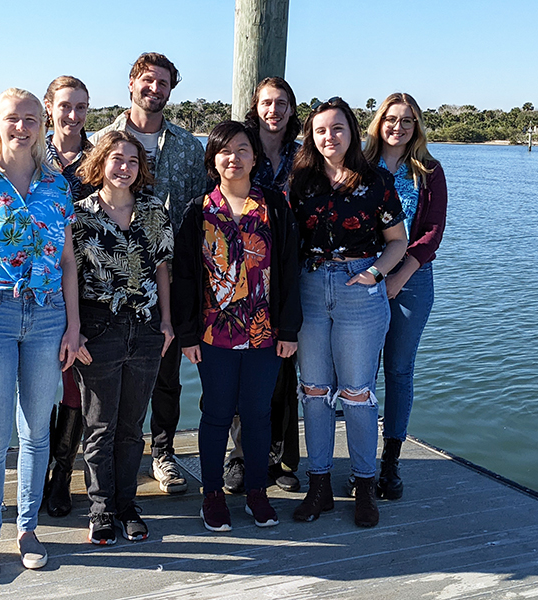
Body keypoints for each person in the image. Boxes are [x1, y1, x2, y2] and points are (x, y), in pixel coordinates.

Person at [0, 88, 80, 582]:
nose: (22, 127)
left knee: (35, 432)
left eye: (31, 119)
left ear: (41, 125)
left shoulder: (57, 186)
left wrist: (73, 325)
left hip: (47, 318)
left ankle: (27, 529)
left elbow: (67, 263)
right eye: (12, 119)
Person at [172, 121, 302, 532]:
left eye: (243, 149)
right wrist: (188, 334)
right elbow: (186, 278)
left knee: (258, 414)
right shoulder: (198, 211)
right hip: (215, 334)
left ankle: (257, 493)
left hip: (265, 333)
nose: (234, 157)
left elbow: (288, 269)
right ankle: (212, 495)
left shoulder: (275, 207)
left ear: (254, 157)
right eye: (225, 151)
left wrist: (288, 329)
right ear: (213, 159)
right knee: (215, 413)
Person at [91, 52, 207, 495]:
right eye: (148, 80)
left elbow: (198, 212)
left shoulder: (187, 146)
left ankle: (163, 453)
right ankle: (112, 454)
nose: (154, 89)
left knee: (166, 369)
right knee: (109, 373)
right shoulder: (103, 139)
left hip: (171, 278)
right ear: (131, 83)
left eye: (163, 83)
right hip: (109, 284)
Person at [289, 97, 407, 528]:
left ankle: (364, 485)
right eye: (321, 130)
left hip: (359, 287)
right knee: (315, 392)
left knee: (357, 393)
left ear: (352, 133)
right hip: (310, 287)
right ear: (311, 136)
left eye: (337, 129)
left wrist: (375, 274)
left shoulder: (375, 180)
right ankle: (318, 484)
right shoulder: (299, 181)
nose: (329, 137)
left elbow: (398, 241)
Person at [71, 130, 175, 545]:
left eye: (132, 161)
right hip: (99, 330)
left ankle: (127, 504)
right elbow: (69, 279)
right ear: (101, 163)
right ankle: (100, 509)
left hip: (147, 328)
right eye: (116, 159)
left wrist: (168, 321)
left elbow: (164, 268)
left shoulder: (154, 210)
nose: (124, 168)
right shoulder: (78, 216)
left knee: (132, 426)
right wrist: (74, 329)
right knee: (99, 426)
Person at [362, 92, 447, 500]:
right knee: (358, 372)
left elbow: (430, 232)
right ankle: (359, 461)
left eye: (407, 121)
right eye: (391, 119)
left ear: (417, 127)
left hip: (412, 280)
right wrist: (375, 275)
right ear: (379, 123)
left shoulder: (428, 170)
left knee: (397, 369)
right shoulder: (359, 166)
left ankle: (390, 463)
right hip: (362, 276)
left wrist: (399, 276)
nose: (398, 127)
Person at [223, 76, 303, 494]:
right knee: (243, 370)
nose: (274, 110)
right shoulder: (241, 147)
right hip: (244, 274)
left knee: (284, 366)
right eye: (267, 103)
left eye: (282, 103)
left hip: (291, 267)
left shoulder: (304, 154)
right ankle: (240, 455)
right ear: (257, 107)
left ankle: (284, 456)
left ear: (292, 108)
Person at [42, 75, 94, 518]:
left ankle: (62, 476)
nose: (73, 116)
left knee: (74, 386)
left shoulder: (100, 160)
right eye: (65, 106)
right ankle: (37, 470)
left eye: (80, 107)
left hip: (89, 288)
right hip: (36, 289)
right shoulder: (26, 154)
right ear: (49, 108)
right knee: (40, 386)